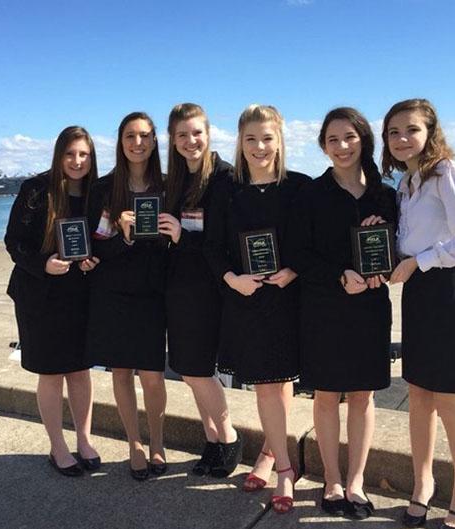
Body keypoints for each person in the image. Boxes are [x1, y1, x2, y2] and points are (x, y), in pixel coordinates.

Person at [384, 98, 455, 529]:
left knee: (449, 398)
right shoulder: (406, 184)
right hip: (419, 293)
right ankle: (422, 483)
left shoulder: (446, 172)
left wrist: (420, 261)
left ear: (430, 132)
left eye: (411, 129)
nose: (402, 138)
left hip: (451, 292)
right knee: (419, 396)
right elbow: (408, 241)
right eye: (393, 132)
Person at [204, 104, 310, 513]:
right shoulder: (226, 189)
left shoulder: (299, 188)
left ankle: (274, 459)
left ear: (280, 140)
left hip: (288, 297)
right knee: (267, 382)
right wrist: (233, 279)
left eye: (267, 138)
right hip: (247, 297)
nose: (260, 147)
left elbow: (313, 241)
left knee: (280, 380)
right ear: (239, 142)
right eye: (251, 139)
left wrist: (293, 270)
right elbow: (212, 246)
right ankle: (284, 465)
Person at [292, 107, 397, 519]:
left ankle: (356, 481)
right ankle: (331, 480)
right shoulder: (312, 194)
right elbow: (299, 253)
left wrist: (382, 262)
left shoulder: (386, 195)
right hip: (323, 307)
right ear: (323, 145)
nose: (342, 147)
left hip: (370, 308)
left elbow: (398, 250)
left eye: (349, 137)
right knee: (326, 394)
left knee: (362, 395)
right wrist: (339, 275)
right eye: (333, 140)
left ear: (364, 140)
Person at [5, 126, 101, 477]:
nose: (77, 161)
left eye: (84, 155)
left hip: (80, 294)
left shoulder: (96, 193)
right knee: (51, 372)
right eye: (70, 154)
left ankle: (85, 440)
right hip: (39, 295)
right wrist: (43, 265)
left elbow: (100, 239)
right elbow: (13, 242)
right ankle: (57, 447)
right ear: (59, 154)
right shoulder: (35, 190)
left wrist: (95, 260)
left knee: (80, 370)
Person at [86, 111, 168, 481]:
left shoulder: (168, 186)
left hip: (153, 292)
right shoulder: (104, 189)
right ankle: (134, 443)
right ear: (121, 143)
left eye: (145, 136)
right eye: (130, 136)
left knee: (152, 374)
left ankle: (158, 443)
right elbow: (96, 247)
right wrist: (124, 235)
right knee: (121, 371)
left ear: (154, 142)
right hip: (114, 292)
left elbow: (179, 242)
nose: (138, 143)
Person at [163, 103, 242, 477]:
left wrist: (181, 237)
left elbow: (221, 242)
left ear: (208, 133)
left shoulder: (225, 178)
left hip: (209, 288)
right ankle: (211, 438)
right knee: (187, 368)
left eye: (196, 132)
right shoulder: (177, 181)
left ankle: (228, 438)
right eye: (182, 134)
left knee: (198, 370)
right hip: (179, 286)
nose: (190, 140)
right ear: (173, 140)